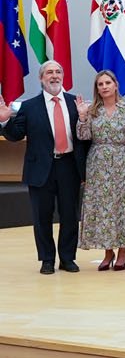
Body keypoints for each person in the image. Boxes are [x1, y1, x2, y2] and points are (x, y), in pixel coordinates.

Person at [0, 61, 89, 274]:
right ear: (41, 78)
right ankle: (47, 259)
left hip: (69, 167)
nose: (54, 76)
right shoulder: (30, 106)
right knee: (42, 217)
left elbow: (85, 138)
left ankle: (67, 258)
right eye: (49, 72)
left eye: (58, 72)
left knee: (70, 215)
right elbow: (16, 135)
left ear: (63, 76)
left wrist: (84, 118)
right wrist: (4, 122)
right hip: (40, 169)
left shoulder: (76, 104)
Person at [75, 70, 125, 271]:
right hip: (97, 164)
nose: (104, 87)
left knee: (122, 206)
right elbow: (84, 136)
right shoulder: (92, 110)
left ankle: (122, 251)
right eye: (100, 84)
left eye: (107, 83)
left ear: (115, 85)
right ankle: (107, 252)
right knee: (102, 207)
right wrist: (82, 117)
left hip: (122, 162)